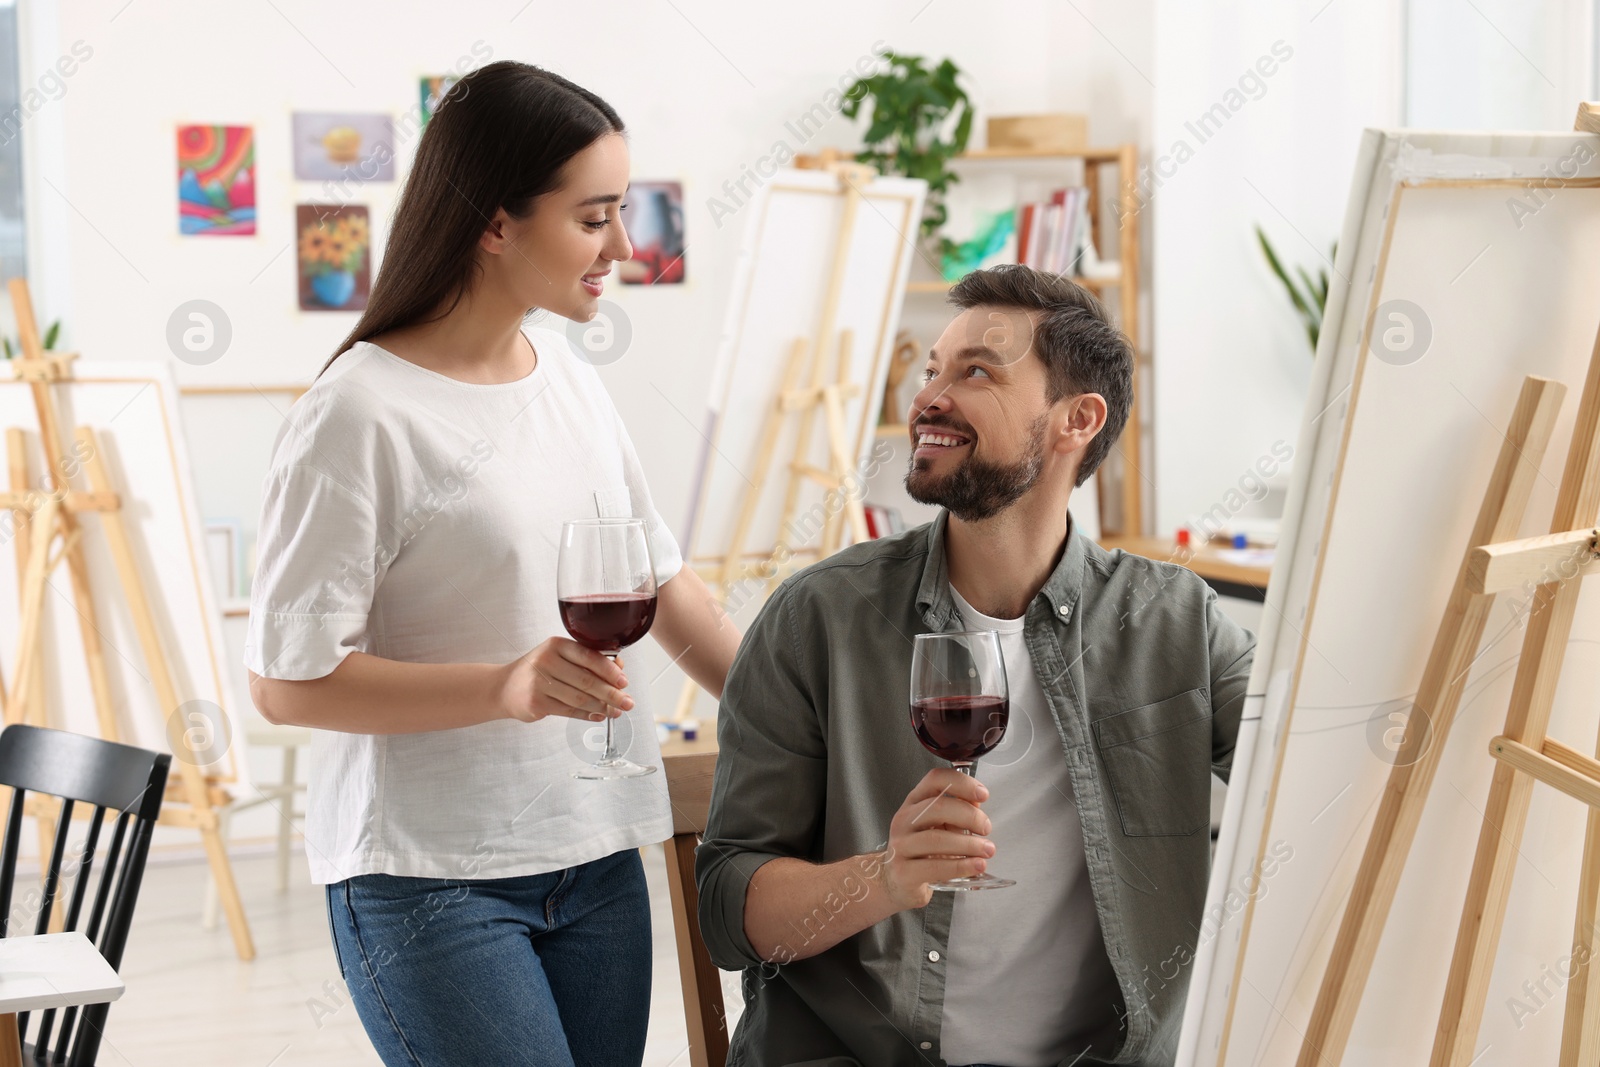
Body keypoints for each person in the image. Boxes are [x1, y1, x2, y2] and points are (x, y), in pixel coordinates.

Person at [245, 61, 739, 1067]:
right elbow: (287, 682)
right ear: (494, 221)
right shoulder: (357, 414)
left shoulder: (566, 375)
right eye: (594, 216)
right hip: (427, 879)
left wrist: (808, 712)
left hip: (596, 852)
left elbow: (666, 584)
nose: (625, 246)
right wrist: (504, 685)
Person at [696, 264, 1255, 1067]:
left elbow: (1310, 766)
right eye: (931, 372)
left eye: (976, 372)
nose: (927, 398)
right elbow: (725, 907)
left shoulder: (1174, 622)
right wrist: (884, 877)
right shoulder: (818, 617)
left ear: (1077, 420)